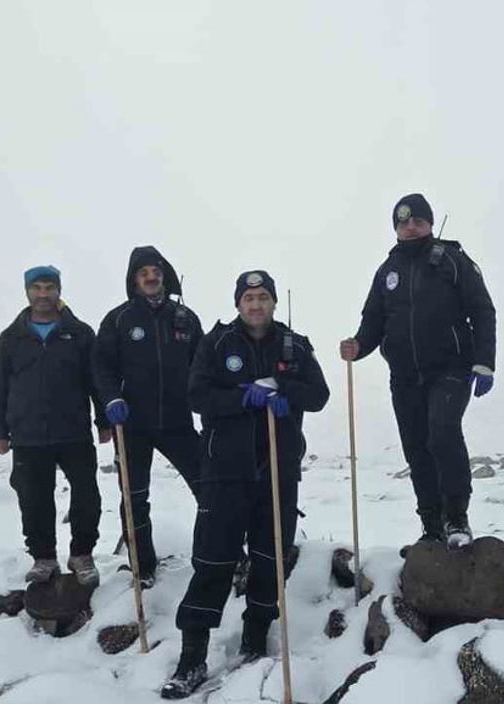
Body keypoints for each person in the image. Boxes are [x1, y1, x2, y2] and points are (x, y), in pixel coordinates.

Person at [161, 270, 329, 699]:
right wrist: (242, 397)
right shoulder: (217, 344)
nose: (256, 305)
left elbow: (320, 395)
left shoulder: (294, 344)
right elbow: (197, 396)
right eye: (249, 298)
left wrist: (283, 388)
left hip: (277, 467)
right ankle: (192, 657)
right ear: (238, 304)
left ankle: (255, 641)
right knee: (213, 561)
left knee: (270, 558)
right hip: (224, 469)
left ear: (273, 302)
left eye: (263, 297)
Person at [339, 193, 497, 549]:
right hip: (405, 376)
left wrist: (484, 361)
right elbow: (373, 322)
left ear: (429, 222)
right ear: (396, 228)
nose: (410, 227)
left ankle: (457, 519)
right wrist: (358, 346)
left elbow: (483, 311)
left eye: (418, 220)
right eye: (403, 222)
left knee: (442, 433)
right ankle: (432, 526)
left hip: (451, 369)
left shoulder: (453, 260)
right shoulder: (387, 272)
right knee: (417, 449)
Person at [0, 265, 107, 587]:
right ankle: (43, 557)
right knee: (33, 499)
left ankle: (82, 553)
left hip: (74, 432)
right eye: (36, 288)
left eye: (49, 287)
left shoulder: (80, 333)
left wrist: (104, 421)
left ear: (59, 290)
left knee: (87, 495)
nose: (43, 294)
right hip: (27, 435)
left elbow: (96, 380)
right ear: (27, 291)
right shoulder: (11, 337)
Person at [94, 246, 204, 589]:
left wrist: (208, 404)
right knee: (134, 496)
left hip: (178, 422)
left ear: (164, 274)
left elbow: (203, 368)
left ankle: (219, 555)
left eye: (154, 270)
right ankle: (143, 568)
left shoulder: (185, 318)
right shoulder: (118, 319)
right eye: (142, 273)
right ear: (134, 281)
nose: (150, 277)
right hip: (132, 424)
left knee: (210, 486)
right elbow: (100, 368)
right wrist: (110, 401)